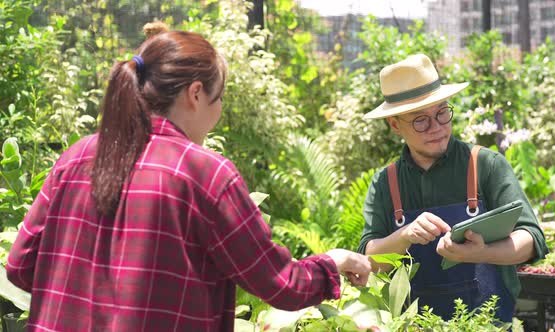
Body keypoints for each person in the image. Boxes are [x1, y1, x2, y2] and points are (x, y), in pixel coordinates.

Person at [6, 22, 372, 331]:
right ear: (195, 94)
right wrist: (334, 261)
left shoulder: (76, 156)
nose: (220, 111)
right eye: (219, 98)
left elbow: (21, 267)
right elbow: (280, 285)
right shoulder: (205, 174)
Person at [357, 54, 548, 322]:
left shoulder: (485, 165)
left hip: (486, 325)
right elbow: (370, 263)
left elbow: (531, 238)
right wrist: (405, 235)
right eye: (420, 120)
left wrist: (482, 253)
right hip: (415, 327)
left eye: (442, 113)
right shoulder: (385, 183)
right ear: (394, 124)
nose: (436, 128)